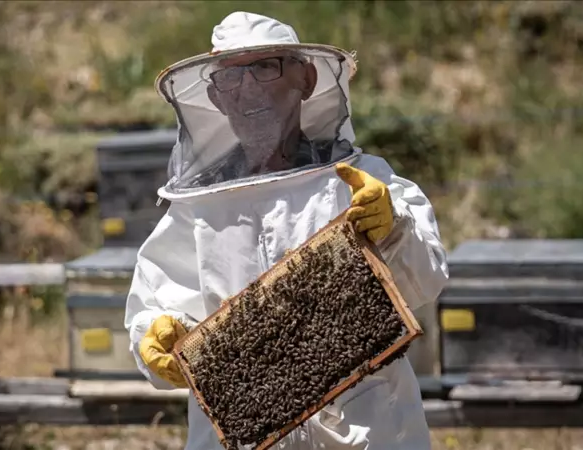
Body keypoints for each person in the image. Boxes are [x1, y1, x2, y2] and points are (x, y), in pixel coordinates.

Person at [124, 11, 449, 450]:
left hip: (369, 431)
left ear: (307, 78)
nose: (248, 89)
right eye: (229, 79)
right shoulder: (196, 211)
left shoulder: (361, 180)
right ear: (216, 98)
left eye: (264, 67)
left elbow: (425, 279)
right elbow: (154, 314)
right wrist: (156, 340)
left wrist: (395, 229)